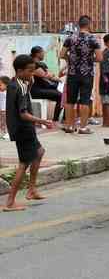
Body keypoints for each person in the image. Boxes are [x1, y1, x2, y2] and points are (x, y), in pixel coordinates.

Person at [4, 54, 55, 212]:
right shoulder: (18, 87)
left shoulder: (17, 83)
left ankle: (32, 189)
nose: (32, 74)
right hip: (23, 128)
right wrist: (42, 121)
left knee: (39, 152)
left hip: (23, 128)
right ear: (20, 71)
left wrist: (31, 82)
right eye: (30, 71)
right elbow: (23, 113)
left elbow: (24, 98)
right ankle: (10, 202)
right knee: (23, 164)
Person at [60, 15, 102, 134]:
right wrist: (89, 60)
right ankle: (83, 127)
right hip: (87, 73)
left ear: (79, 24)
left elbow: (62, 54)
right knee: (84, 100)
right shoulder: (93, 40)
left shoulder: (70, 38)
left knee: (70, 101)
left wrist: (72, 60)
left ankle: (69, 126)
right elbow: (99, 58)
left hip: (72, 73)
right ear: (89, 24)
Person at [30, 46, 63, 124]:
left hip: (44, 88)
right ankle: (55, 120)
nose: (44, 54)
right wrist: (52, 76)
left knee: (64, 95)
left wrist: (51, 76)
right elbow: (46, 75)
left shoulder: (41, 64)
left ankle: (62, 119)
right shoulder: (33, 65)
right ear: (37, 54)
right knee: (60, 96)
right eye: (43, 53)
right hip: (36, 91)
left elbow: (50, 74)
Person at [0, 76, 9, 140]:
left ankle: (7, 133)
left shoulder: (8, 92)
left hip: (6, 110)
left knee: (6, 122)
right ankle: (3, 132)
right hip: (1, 110)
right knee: (2, 122)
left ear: (6, 85)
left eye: (0, 85)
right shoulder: (1, 92)